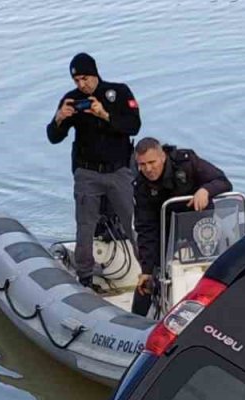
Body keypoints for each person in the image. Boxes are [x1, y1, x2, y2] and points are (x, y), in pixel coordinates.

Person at [46, 52, 142, 290]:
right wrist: (59, 119)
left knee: (134, 222)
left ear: (95, 73)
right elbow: (53, 138)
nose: (82, 84)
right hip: (87, 173)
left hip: (118, 171)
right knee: (85, 226)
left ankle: (150, 269)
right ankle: (85, 278)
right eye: (77, 80)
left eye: (85, 78)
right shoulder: (71, 100)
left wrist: (105, 115)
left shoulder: (118, 92)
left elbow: (134, 126)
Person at [131, 137, 233, 317]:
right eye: (142, 164)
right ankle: (136, 319)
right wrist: (146, 270)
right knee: (150, 275)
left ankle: (219, 311)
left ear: (162, 157)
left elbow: (222, 181)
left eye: (152, 162)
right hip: (165, 227)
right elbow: (146, 227)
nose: (148, 169)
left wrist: (206, 190)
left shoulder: (187, 162)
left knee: (211, 269)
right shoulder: (141, 185)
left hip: (198, 226)